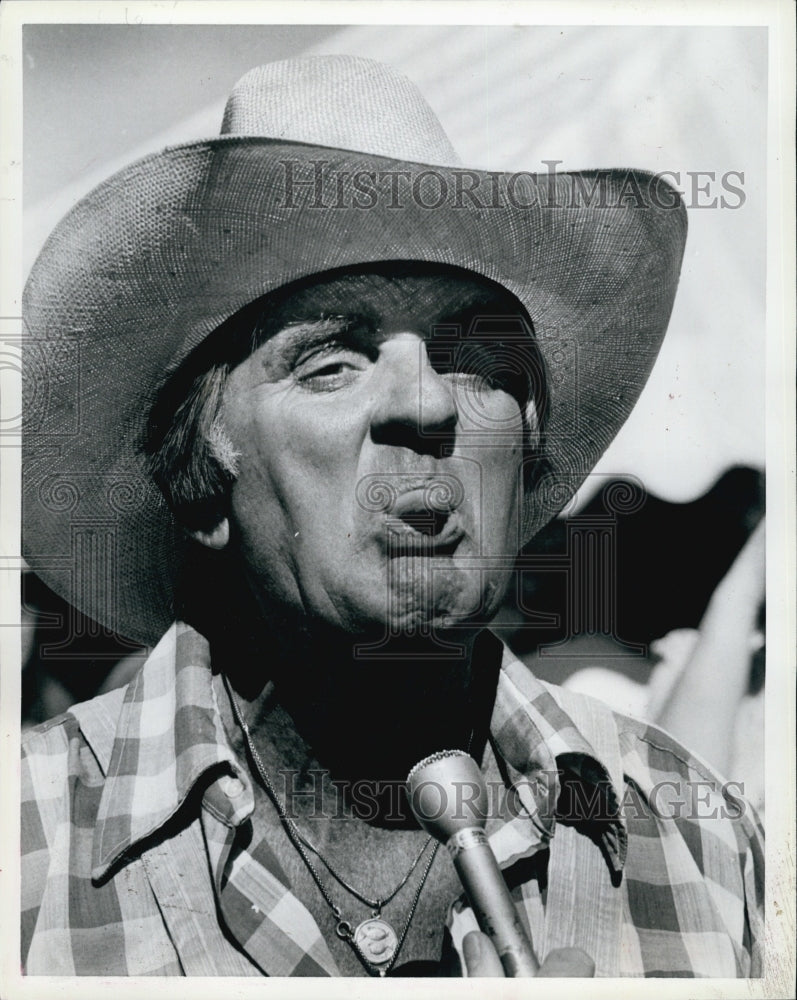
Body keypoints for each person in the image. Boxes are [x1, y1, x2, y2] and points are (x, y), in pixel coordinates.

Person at [20, 55, 763, 978]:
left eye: (475, 359)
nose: (427, 402)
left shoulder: (703, 843)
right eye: (330, 363)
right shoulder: (30, 844)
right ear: (201, 483)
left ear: (525, 450)